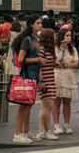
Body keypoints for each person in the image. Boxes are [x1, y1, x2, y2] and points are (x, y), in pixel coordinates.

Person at [11, 15, 43, 144]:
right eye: (38, 23)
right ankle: (18, 133)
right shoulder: (28, 39)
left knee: (29, 104)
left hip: (34, 73)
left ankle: (25, 131)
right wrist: (37, 60)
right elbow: (20, 59)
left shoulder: (36, 38)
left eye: (41, 23)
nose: (40, 25)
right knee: (24, 104)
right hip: (26, 74)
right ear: (31, 24)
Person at [53, 27, 79, 135]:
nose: (69, 38)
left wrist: (66, 65)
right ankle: (56, 124)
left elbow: (76, 63)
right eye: (66, 36)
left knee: (67, 102)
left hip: (68, 75)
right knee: (57, 102)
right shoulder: (56, 48)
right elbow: (57, 62)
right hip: (58, 75)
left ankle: (67, 124)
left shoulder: (73, 49)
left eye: (70, 36)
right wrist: (62, 52)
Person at [35, 28, 58, 140]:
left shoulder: (50, 50)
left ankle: (41, 130)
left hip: (51, 78)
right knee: (48, 106)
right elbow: (39, 65)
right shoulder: (42, 49)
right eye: (53, 35)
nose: (55, 37)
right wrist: (41, 81)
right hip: (45, 80)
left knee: (45, 107)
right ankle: (47, 130)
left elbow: (52, 63)